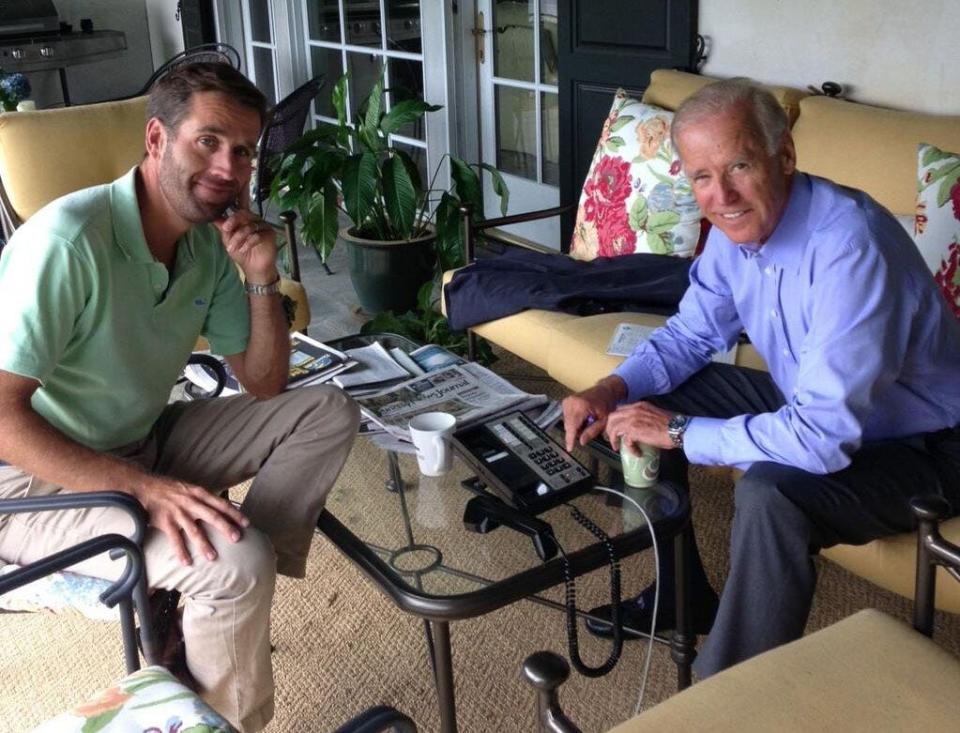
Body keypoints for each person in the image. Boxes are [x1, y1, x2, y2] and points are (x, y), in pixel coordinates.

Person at [0, 63, 359, 731]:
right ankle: (227, 700)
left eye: (245, 150)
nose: (230, 165)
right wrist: (145, 489)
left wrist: (259, 277)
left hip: (139, 439)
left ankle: (212, 596)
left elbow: (264, 383)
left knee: (328, 410)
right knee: (235, 557)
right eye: (209, 141)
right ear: (158, 137)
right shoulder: (67, 242)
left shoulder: (208, 243)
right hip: (29, 487)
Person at [562, 78, 960, 679]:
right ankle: (680, 592)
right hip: (819, 403)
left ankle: (725, 698)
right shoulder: (733, 229)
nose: (720, 195)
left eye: (739, 165)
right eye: (701, 177)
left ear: (786, 157)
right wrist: (612, 390)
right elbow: (692, 336)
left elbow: (822, 438)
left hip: (929, 445)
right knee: (649, 394)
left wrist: (684, 432)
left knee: (770, 495)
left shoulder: (850, 247)